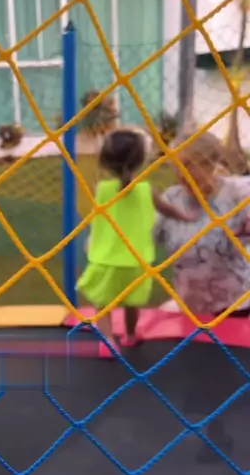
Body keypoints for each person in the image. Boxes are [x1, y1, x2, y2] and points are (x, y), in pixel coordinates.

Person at [76, 128, 197, 357]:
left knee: (104, 304)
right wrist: (185, 216)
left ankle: (108, 341)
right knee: (132, 302)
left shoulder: (101, 190)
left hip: (106, 259)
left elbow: (99, 216)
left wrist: (92, 240)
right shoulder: (147, 190)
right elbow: (167, 209)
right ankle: (131, 335)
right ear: (141, 161)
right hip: (136, 260)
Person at [154, 132, 250, 318]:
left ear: (210, 163)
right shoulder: (171, 199)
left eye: (188, 165)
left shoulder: (236, 196)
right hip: (190, 309)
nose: (181, 174)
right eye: (176, 165)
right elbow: (145, 238)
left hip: (236, 308)